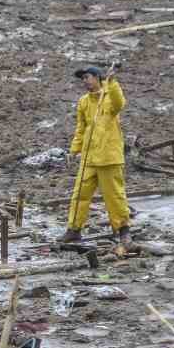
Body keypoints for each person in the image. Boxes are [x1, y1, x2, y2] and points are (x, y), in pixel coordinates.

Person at [63, 66, 131, 248]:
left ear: (97, 78)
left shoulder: (109, 99)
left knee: (114, 196)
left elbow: (120, 103)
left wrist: (112, 82)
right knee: (79, 195)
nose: (84, 81)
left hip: (109, 157)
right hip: (89, 159)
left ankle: (123, 230)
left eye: (87, 77)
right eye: (83, 78)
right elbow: (81, 128)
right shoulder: (84, 102)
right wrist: (74, 150)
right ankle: (74, 230)